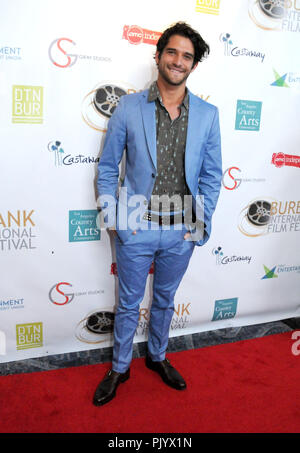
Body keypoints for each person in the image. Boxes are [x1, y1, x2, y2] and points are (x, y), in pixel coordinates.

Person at [93, 22, 222, 406]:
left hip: (182, 229)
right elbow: (106, 168)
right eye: (172, 52)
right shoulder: (129, 107)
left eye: (187, 56)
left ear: (193, 65)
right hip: (137, 224)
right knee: (128, 303)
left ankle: (158, 357)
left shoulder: (208, 115)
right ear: (158, 55)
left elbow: (213, 176)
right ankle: (119, 366)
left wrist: (200, 223)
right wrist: (114, 220)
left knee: (165, 299)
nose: (178, 61)